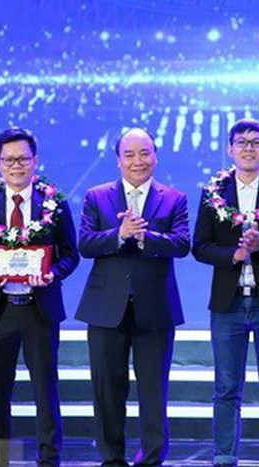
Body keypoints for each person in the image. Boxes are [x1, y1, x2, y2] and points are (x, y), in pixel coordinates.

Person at [0, 127, 79, 466]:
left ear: (35, 161)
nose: (16, 166)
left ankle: (49, 459)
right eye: (9, 160)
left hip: (39, 310)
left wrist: (52, 274)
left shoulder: (54, 202)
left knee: (45, 391)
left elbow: (70, 254)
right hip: (0, 310)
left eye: (23, 159)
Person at [192, 118, 259, 467]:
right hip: (228, 303)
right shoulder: (213, 191)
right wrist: (235, 255)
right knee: (226, 386)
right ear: (230, 149)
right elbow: (200, 246)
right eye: (241, 142)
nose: (248, 148)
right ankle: (224, 455)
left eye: (256, 142)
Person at [76, 127, 189, 466]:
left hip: (155, 308)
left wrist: (144, 237)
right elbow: (85, 244)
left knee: (153, 390)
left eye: (144, 153)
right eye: (129, 154)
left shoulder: (174, 198)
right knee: (107, 390)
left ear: (155, 156)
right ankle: (112, 457)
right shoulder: (97, 196)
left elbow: (182, 244)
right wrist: (119, 233)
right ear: (118, 160)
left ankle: (152, 458)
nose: (137, 161)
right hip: (105, 309)